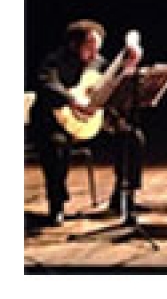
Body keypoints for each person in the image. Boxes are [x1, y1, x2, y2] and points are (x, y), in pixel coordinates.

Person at [29, 19, 145, 226]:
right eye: (89, 47)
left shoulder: (99, 63)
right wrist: (72, 100)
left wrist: (128, 67)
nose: (95, 53)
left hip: (91, 122)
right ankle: (57, 204)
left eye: (97, 48)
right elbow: (48, 84)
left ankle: (123, 196)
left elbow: (114, 82)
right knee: (55, 146)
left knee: (132, 136)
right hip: (56, 124)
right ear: (74, 45)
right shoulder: (53, 61)